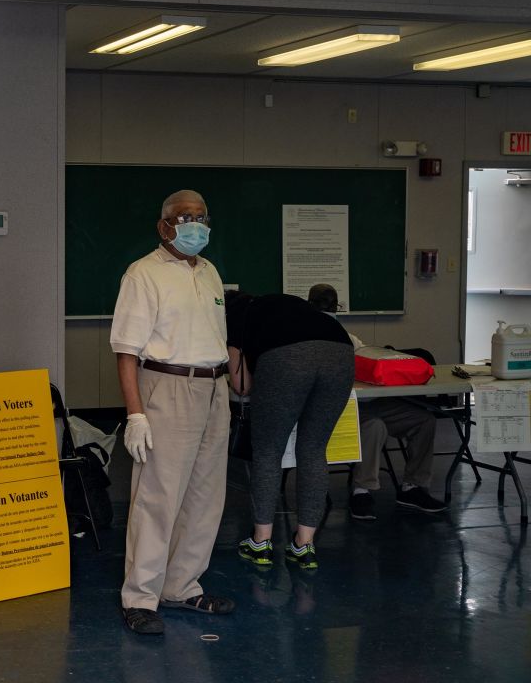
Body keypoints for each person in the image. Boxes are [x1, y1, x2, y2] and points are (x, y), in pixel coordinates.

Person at [110, 189, 234, 635]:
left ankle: (181, 586)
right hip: (168, 387)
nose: (194, 225)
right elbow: (126, 351)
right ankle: (140, 596)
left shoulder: (211, 272)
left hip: (215, 388)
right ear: (164, 226)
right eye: (184, 217)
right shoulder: (143, 274)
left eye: (201, 216)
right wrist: (136, 414)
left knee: (205, 496)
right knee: (158, 497)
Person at [225, 291, 354, 571]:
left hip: (289, 355)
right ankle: (304, 546)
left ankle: (261, 542)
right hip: (341, 350)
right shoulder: (281, 304)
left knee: (268, 451)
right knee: (313, 449)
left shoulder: (233, 315)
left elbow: (241, 386)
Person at [306, 284, 448, 519]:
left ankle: (413, 487)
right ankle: (362, 490)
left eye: (330, 305)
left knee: (424, 420)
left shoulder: (347, 337)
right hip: (338, 406)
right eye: (324, 304)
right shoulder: (304, 337)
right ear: (310, 306)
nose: (328, 310)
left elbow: (368, 357)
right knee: (373, 426)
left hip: (368, 400)